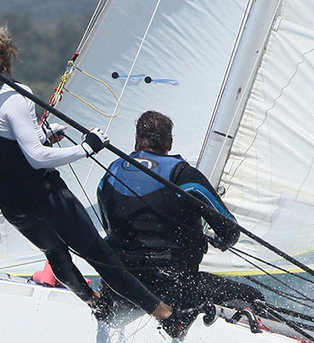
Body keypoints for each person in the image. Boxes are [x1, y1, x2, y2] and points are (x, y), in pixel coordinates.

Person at [0, 23, 196, 337]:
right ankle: (168, 317)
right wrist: (85, 148)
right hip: (44, 196)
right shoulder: (13, 95)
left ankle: (94, 302)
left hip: (10, 202)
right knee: (102, 257)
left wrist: (47, 135)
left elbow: (0, 145)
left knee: (55, 253)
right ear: (8, 57)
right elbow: (36, 156)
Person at [97, 110, 264, 311]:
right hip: (172, 289)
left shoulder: (111, 172)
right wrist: (220, 240)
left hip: (118, 287)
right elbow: (230, 231)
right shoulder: (184, 176)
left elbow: (108, 226)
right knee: (253, 297)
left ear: (137, 139)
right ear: (170, 142)